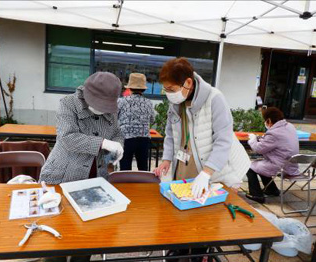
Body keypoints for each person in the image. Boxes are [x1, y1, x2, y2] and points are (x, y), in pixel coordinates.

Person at [153, 57, 250, 262]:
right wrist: (166, 160)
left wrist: (206, 173)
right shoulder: (176, 102)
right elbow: (170, 134)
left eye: (171, 89)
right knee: (181, 208)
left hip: (215, 166)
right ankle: (179, 250)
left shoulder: (215, 98)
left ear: (188, 83)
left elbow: (223, 140)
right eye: (166, 90)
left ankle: (199, 254)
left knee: (205, 219)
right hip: (186, 162)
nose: (168, 94)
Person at [39, 72, 124, 185]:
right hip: (63, 175)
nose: (102, 109)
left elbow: (116, 132)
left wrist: (118, 145)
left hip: (97, 175)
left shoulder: (111, 111)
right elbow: (67, 137)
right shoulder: (68, 103)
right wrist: (103, 143)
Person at [246, 107, 299, 204]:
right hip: (292, 165)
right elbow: (275, 142)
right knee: (262, 165)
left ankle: (256, 195)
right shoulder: (290, 126)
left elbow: (259, 149)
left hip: (281, 166)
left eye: (265, 121)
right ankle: (272, 190)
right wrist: (262, 139)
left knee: (249, 167)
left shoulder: (274, 133)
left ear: (269, 120)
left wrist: (252, 139)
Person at [118, 73, 155, 171]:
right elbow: (152, 120)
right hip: (143, 139)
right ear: (144, 89)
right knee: (143, 168)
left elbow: (114, 118)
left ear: (130, 88)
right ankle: (143, 185)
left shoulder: (121, 101)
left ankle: (125, 186)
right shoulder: (149, 103)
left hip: (126, 139)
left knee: (125, 168)